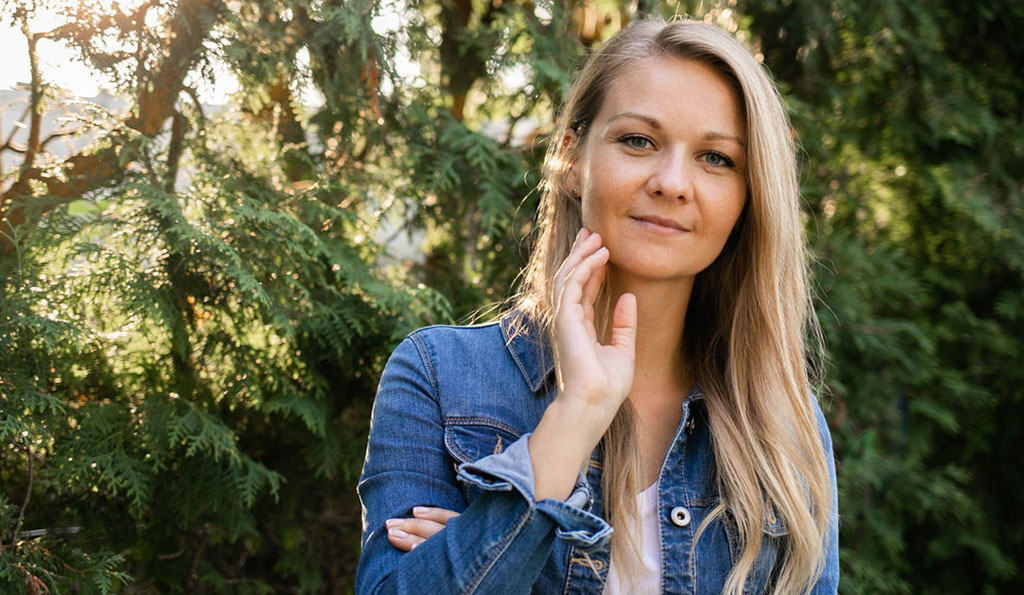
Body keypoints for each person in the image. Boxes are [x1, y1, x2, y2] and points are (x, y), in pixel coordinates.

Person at [356, 17, 839, 595]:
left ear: (747, 197)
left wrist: (483, 548)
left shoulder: (784, 417)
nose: (673, 182)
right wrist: (575, 414)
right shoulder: (439, 376)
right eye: (638, 140)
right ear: (570, 161)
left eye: (716, 158)